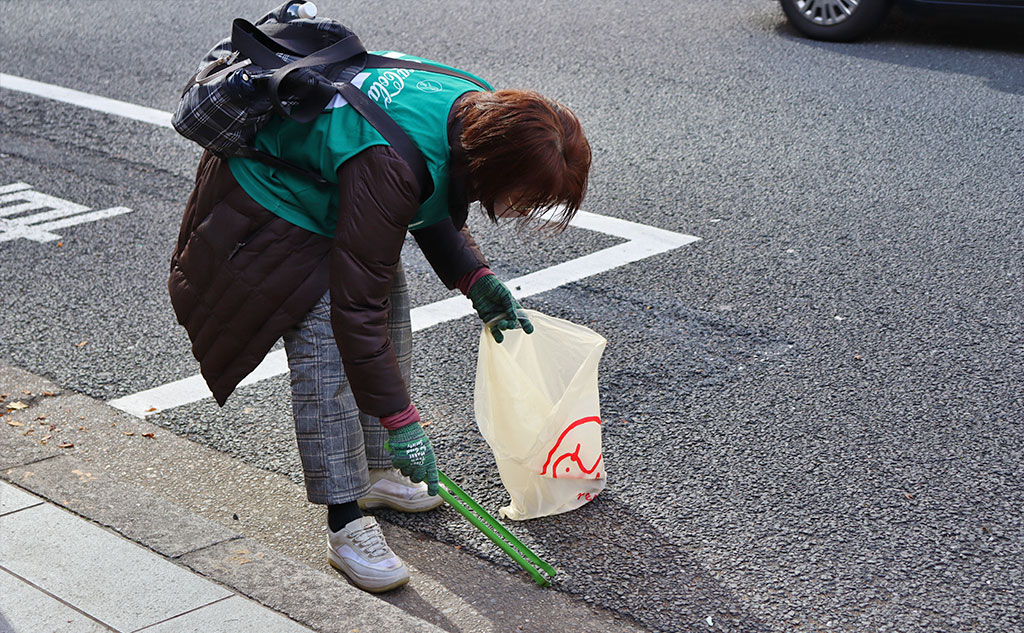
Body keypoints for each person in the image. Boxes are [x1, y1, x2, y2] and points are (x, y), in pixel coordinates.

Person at [168, 16, 591, 593]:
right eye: (526, 196)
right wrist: (404, 421)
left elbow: (431, 193)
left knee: (392, 310)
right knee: (327, 349)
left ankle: (374, 470)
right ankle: (344, 520)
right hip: (277, 209)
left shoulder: (474, 108)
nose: (524, 208)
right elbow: (356, 311)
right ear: (495, 167)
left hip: (345, 188)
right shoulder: (389, 163)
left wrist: (476, 279)